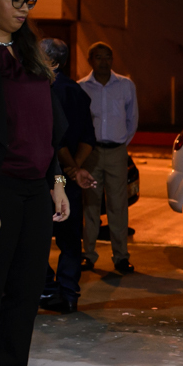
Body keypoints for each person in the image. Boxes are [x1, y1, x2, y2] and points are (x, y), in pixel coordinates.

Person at [0, 0, 70, 366]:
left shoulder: (29, 52)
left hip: (36, 188)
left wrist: (56, 182)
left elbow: (47, 129)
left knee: (25, 296)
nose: (23, 8)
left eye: (27, 0)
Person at [39, 38, 97, 314]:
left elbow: (55, 140)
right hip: (68, 177)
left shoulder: (47, 90)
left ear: (52, 62)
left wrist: (68, 169)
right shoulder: (78, 91)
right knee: (70, 237)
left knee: (37, 234)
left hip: (53, 176)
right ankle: (68, 291)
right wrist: (77, 167)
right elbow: (88, 137)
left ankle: (48, 288)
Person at [79, 42, 138, 274]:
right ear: (90, 60)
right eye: (98, 57)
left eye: (108, 57)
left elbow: (132, 120)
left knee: (118, 206)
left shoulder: (125, 85)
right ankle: (88, 255)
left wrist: (121, 143)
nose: (104, 62)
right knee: (91, 205)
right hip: (91, 154)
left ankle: (121, 257)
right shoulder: (82, 87)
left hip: (116, 152)